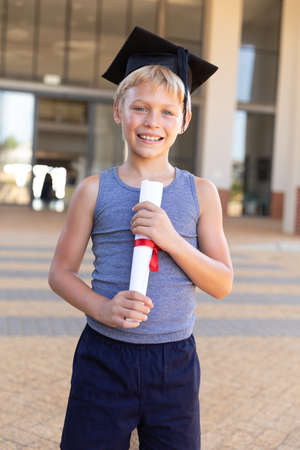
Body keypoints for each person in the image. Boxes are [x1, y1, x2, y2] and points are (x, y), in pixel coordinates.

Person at [49, 26, 233, 450]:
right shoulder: (95, 190)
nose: (153, 122)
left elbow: (222, 283)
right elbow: (60, 273)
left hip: (174, 363)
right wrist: (103, 307)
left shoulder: (200, 193)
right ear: (119, 110)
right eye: (141, 108)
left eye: (168, 112)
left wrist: (171, 239)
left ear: (185, 121)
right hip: (104, 357)